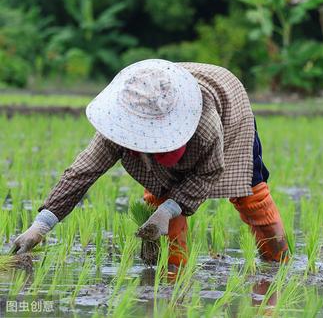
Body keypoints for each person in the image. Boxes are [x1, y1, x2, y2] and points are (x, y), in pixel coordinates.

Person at [11, 59, 289, 269]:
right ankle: (171, 273)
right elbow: (83, 172)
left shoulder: (204, 126)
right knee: (160, 200)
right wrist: (40, 225)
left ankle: (278, 259)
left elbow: (209, 172)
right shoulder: (120, 122)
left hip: (228, 109)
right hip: (156, 104)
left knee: (250, 196)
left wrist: (171, 208)